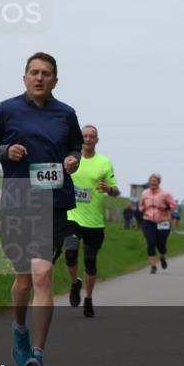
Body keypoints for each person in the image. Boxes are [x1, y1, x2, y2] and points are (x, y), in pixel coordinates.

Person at [0, 52, 83, 366]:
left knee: (43, 276)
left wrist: (73, 160)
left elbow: (75, 147)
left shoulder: (66, 114)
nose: (39, 78)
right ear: (25, 77)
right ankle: (19, 331)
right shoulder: (6, 110)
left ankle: (38, 354)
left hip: (52, 203)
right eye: (34, 72)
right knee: (24, 280)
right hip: (16, 203)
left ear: (55, 80)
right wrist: (5, 151)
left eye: (46, 73)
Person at [65, 125, 120, 317]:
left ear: (97, 140)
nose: (88, 139)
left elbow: (116, 191)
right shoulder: (71, 159)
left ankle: (88, 299)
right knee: (70, 253)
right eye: (85, 136)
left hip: (95, 221)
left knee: (90, 261)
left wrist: (108, 189)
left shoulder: (104, 163)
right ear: (80, 139)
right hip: (72, 215)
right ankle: (74, 283)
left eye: (92, 136)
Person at [139, 174, 178, 274]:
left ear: (158, 182)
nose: (153, 183)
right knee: (151, 243)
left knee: (161, 244)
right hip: (148, 220)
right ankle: (153, 266)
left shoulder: (165, 193)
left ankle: (162, 256)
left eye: (155, 181)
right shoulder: (144, 193)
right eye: (151, 181)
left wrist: (164, 207)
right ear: (149, 182)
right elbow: (141, 205)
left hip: (163, 221)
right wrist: (142, 209)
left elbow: (174, 206)